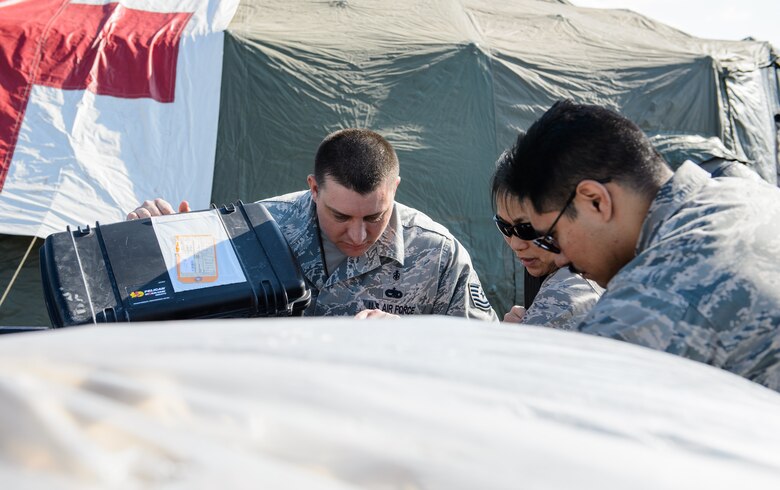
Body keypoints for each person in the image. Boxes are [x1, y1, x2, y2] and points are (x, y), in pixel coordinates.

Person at [503, 99, 780, 390]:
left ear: (596, 201)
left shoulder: (648, 301)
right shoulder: (750, 195)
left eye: (552, 237)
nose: (560, 260)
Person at [129, 128, 497, 321]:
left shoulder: (436, 255)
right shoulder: (254, 231)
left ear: (394, 189)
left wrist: (407, 341)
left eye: (374, 217)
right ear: (314, 188)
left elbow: (482, 353)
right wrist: (147, 239)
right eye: (340, 216)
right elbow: (183, 315)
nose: (358, 235)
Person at [490, 146, 602, 329]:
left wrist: (513, 338)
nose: (516, 244)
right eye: (504, 226)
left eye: (528, 229)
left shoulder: (568, 291)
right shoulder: (548, 266)